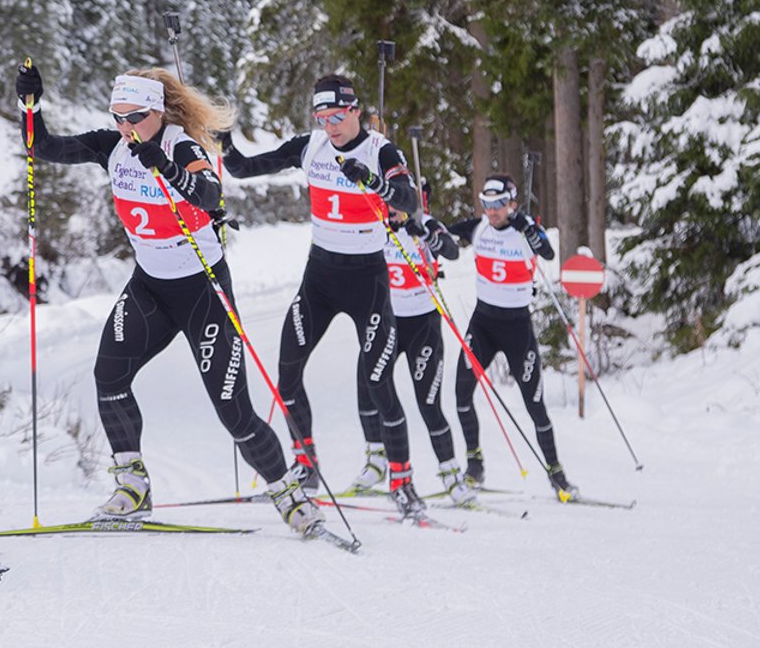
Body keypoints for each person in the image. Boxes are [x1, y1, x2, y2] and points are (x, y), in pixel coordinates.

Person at [13, 62, 324, 536]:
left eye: (134, 117)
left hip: (203, 288)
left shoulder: (183, 145)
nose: (125, 127)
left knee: (232, 407)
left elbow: (209, 194)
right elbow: (43, 147)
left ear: (157, 112)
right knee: (109, 376)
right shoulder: (111, 145)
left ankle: (288, 494)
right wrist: (30, 107)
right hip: (151, 285)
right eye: (118, 116)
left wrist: (167, 168)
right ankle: (132, 486)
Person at [220, 74, 428, 518]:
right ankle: (306, 465)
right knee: (287, 373)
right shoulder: (310, 146)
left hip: (367, 279)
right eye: (322, 117)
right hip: (320, 277)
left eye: (338, 116)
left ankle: (403, 481)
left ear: (356, 111)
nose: (330, 126)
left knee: (379, 383)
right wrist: (224, 142)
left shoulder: (380, 150)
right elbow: (243, 168)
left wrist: (374, 181)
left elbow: (409, 201)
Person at [445, 175, 576, 497]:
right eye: (486, 204)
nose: (491, 211)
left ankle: (556, 473)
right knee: (461, 394)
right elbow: (444, 232)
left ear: (512, 204)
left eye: (498, 204)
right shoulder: (478, 228)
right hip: (482, 326)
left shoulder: (525, 231)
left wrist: (527, 227)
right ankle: (474, 465)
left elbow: (545, 252)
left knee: (535, 406)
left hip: (517, 330)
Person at [353, 181, 473, 504]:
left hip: (423, 325)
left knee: (429, 403)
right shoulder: (375, 226)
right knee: (366, 384)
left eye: (400, 203)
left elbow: (452, 251)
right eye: (388, 201)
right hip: (386, 321)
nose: (393, 209)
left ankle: (451, 474)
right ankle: (377, 458)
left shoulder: (425, 226)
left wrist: (429, 236)